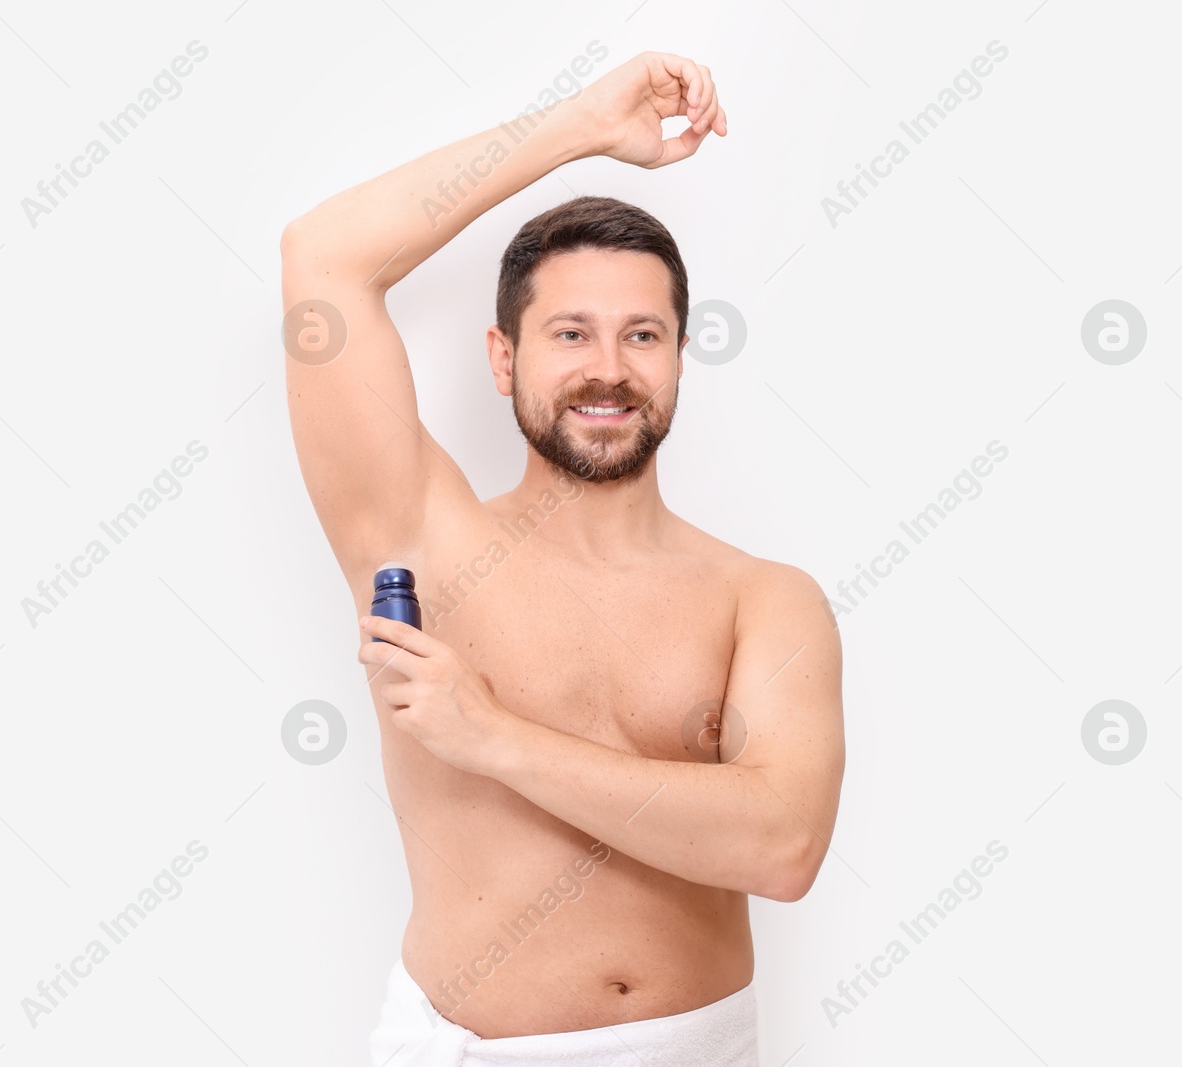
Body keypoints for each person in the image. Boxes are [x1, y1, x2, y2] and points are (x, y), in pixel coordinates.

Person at [281, 50, 844, 1066]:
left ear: (678, 355)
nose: (607, 369)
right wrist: (583, 123)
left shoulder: (763, 600)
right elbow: (322, 258)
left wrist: (491, 734)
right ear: (504, 358)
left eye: (642, 334)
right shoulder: (421, 533)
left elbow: (782, 843)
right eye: (570, 332)